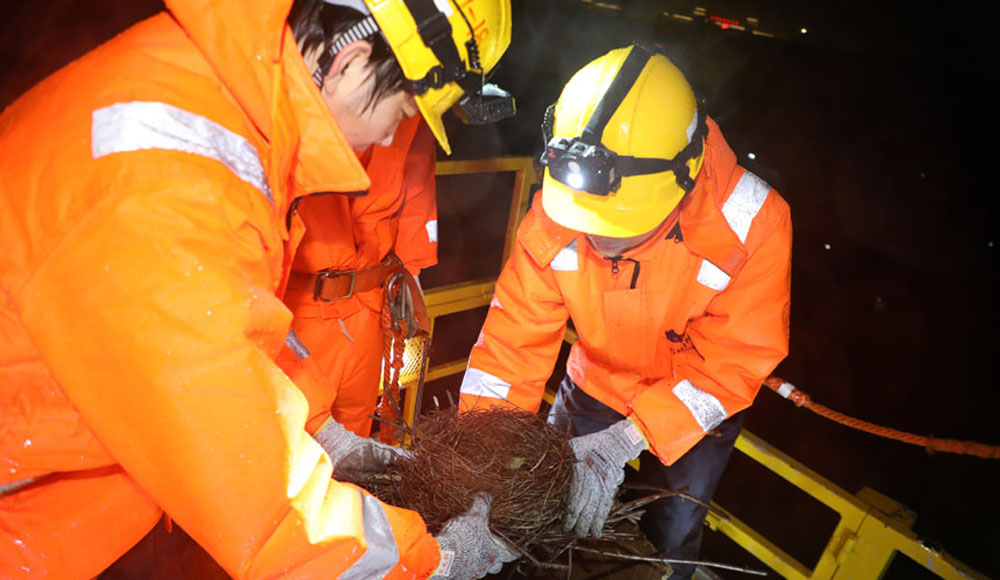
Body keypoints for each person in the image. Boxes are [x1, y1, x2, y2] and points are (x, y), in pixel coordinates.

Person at [0, 0, 518, 578]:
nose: (399, 131)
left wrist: (323, 431)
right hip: (24, 521)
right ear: (351, 61)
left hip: (70, 502)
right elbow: (258, 491)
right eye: (403, 107)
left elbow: (234, 332)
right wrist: (434, 563)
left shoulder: (213, 106)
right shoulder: (173, 183)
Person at [459, 43, 792, 579]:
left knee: (673, 533)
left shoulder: (756, 224)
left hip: (692, 408)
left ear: (681, 184)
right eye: (586, 220)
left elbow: (732, 362)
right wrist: (479, 473)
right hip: (594, 385)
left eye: (620, 225)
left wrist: (627, 439)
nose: (594, 236)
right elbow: (506, 355)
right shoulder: (560, 207)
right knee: (541, 509)